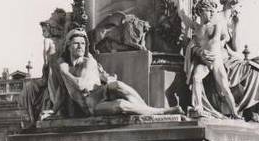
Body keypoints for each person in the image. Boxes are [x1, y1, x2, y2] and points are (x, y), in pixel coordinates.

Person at [47, 28, 183, 118]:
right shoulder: (65, 66)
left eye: (83, 43)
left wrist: (64, 72)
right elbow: (64, 90)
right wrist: (53, 112)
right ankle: (161, 112)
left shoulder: (88, 62)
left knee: (117, 85)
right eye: (76, 43)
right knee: (120, 105)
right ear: (68, 47)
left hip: (101, 91)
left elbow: (83, 83)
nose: (80, 46)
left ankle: (149, 110)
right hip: (93, 105)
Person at [184, 0, 242, 119]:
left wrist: (235, 25)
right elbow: (182, 15)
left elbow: (227, 39)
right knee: (196, 77)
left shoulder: (217, 25)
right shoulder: (197, 27)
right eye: (208, 11)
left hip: (216, 61)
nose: (211, 14)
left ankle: (235, 113)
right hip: (204, 62)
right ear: (200, 11)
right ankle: (198, 107)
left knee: (225, 89)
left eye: (212, 11)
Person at [217, 0, 259, 122]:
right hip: (220, 58)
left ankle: (250, 109)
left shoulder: (231, 22)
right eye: (240, 6)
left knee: (258, 70)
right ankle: (246, 110)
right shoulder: (217, 18)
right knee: (253, 70)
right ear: (232, 4)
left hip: (229, 57)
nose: (241, 9)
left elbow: (236, 48)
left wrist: (237, 24)